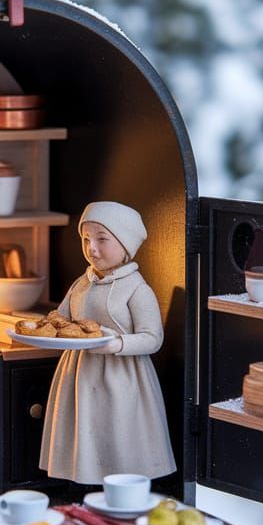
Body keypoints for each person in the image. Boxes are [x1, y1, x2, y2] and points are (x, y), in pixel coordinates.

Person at [39, 201, 176, 485]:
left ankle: (121, 490)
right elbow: (59, 319)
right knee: (84, 430)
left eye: (102, 239)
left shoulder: (136, 288)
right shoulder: (81, 283)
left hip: (122, 377)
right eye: (86, 239)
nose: (92, 248)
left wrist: (117, 344)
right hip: (79, 373)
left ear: (125, 244)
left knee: (117, 432)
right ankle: (83, 485)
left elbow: (153, 338)